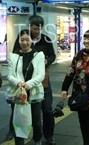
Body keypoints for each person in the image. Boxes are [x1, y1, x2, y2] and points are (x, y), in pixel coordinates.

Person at [5, 16, 56, 144]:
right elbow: (15, 56)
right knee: (18, 111)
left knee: (46, 110)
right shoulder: (21, 38)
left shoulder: (46, 40)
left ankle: (48, 136)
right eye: (34, 28)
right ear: (29, 27)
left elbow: (52, 55)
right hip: (21, 84)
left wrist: (46, 61)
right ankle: (13, 131)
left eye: (39, 28)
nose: (37, 31)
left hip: (41, 82)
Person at [7, 29, 46, 145]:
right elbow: (9, 75)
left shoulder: (38, 55)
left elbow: (41, 75)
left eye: (27, 40)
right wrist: (18, 83)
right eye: (22, 40)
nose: (24, 43)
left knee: (36, 122)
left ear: (32, 40)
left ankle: (37, 140)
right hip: (18, 93)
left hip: (33, 93)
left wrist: (28, 84)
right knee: (19, 121)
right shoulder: (13, 56)